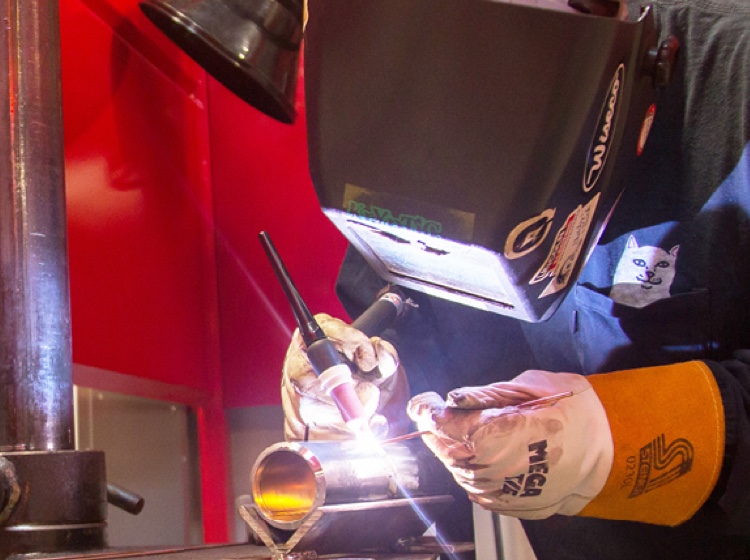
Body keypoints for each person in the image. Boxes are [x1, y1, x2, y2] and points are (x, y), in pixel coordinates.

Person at [282, 0, 750, 558]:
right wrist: (373, 388)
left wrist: (619, 437)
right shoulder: (407, 102)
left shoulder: (734, 82)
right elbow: (402, 327)